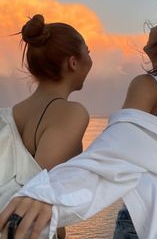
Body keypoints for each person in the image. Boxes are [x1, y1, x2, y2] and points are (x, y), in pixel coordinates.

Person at [0, 0, 157, 239]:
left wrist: (51, 195)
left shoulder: (149, 87)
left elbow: (115, 152)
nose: (152, 26)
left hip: (148, 226)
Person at [0, 14, 92, 238]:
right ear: (73, 62)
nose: (91, 59)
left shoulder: (5, 116)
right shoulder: (72, 113)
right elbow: (41, 193)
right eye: (88, 52)